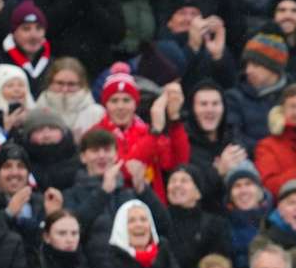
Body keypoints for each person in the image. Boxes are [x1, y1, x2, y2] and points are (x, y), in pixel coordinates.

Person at [93, 62, 189, 204]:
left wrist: (174, 118)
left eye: (126, 100)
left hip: (151, 207)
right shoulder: (95, 135)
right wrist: (155, 133)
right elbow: (126, 171)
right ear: (105, 104)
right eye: (114, 101)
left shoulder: (146, 131)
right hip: (113, 206)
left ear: (135, 104)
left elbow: (178, 164)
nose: (120, 106)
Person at [29, 0, 126, 78]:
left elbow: (117, 32)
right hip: (56, 65)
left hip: (96, 66)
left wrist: (91, 5)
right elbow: (43, 26)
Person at [183, 80, 247, 215]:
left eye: (215, 104)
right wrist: (218, 172)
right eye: (203, 104)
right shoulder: (183, 142)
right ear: (192, 109)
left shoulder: (234, 140)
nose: (210, 109)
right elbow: (188, 192)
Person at [224, 28, 289, 156]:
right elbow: (235, 137)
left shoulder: (293, 96)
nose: (248, 70)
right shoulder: (234, 98)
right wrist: (269, 151)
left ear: (273, 68)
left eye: (255, 65)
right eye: (247, 65)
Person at [165, 165, 230, 268]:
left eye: (184, 181)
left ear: (198, 193)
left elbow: (218, 263)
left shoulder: (214, 225)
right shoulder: (159, 222)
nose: (177, 185)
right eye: (173, 181)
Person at [34, 58, 105, 144]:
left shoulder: (96, 113)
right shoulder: (38, 109)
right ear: (50, 82)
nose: (65, 89)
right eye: (60, 83)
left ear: (82, 85)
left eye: (71, 84)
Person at [0, 0, 53, 95]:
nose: (33, 35)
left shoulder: (54, 65)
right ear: (13, 33)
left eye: (39, 28)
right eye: (26, 29)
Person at [0, 63, 34, 136]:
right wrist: (7, 128)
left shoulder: (37, 112)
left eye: (21, 85)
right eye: (10, 86)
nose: (17, 90)